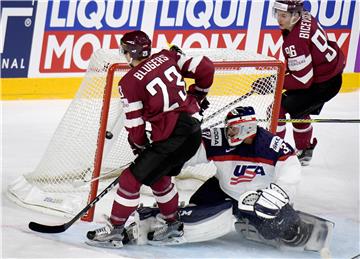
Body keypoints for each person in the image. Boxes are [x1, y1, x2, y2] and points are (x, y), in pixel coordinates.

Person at [86, 30, 215, 248]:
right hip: (192, 131)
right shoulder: (168, 56)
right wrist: (198, 95)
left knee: (130, 179)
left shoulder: (128, 83)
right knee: (158, 176)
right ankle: (172, 225)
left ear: (130, 53)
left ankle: (115, 230)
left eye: (125, 50)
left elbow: (135, 126)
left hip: (173, 136)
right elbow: (206, 67)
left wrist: (139, 147)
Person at [184, 106, 311, 247]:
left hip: (256, 198)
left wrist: (279, 193)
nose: (229, 133)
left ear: (248, 128)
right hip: (222, 189)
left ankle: (274, 222)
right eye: (229, 128)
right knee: (194, 210)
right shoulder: (218, 139)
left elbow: (291, 165)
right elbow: (190, 153)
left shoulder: (270, 145)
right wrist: (169, 165)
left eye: (233, 129)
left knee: (289, 231)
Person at [272, 0, 345, 166]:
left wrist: (275, 82)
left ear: (295, 15)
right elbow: (304, 64)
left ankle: (272, 152)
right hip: (329, 75)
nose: (279, 19)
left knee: (278, 109)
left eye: (283, 15)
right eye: (277, 14)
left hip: (323, 85)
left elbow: (303, 80)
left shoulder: (294, 42)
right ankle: (304, 150)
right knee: (298, 108)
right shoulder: (306, 16)